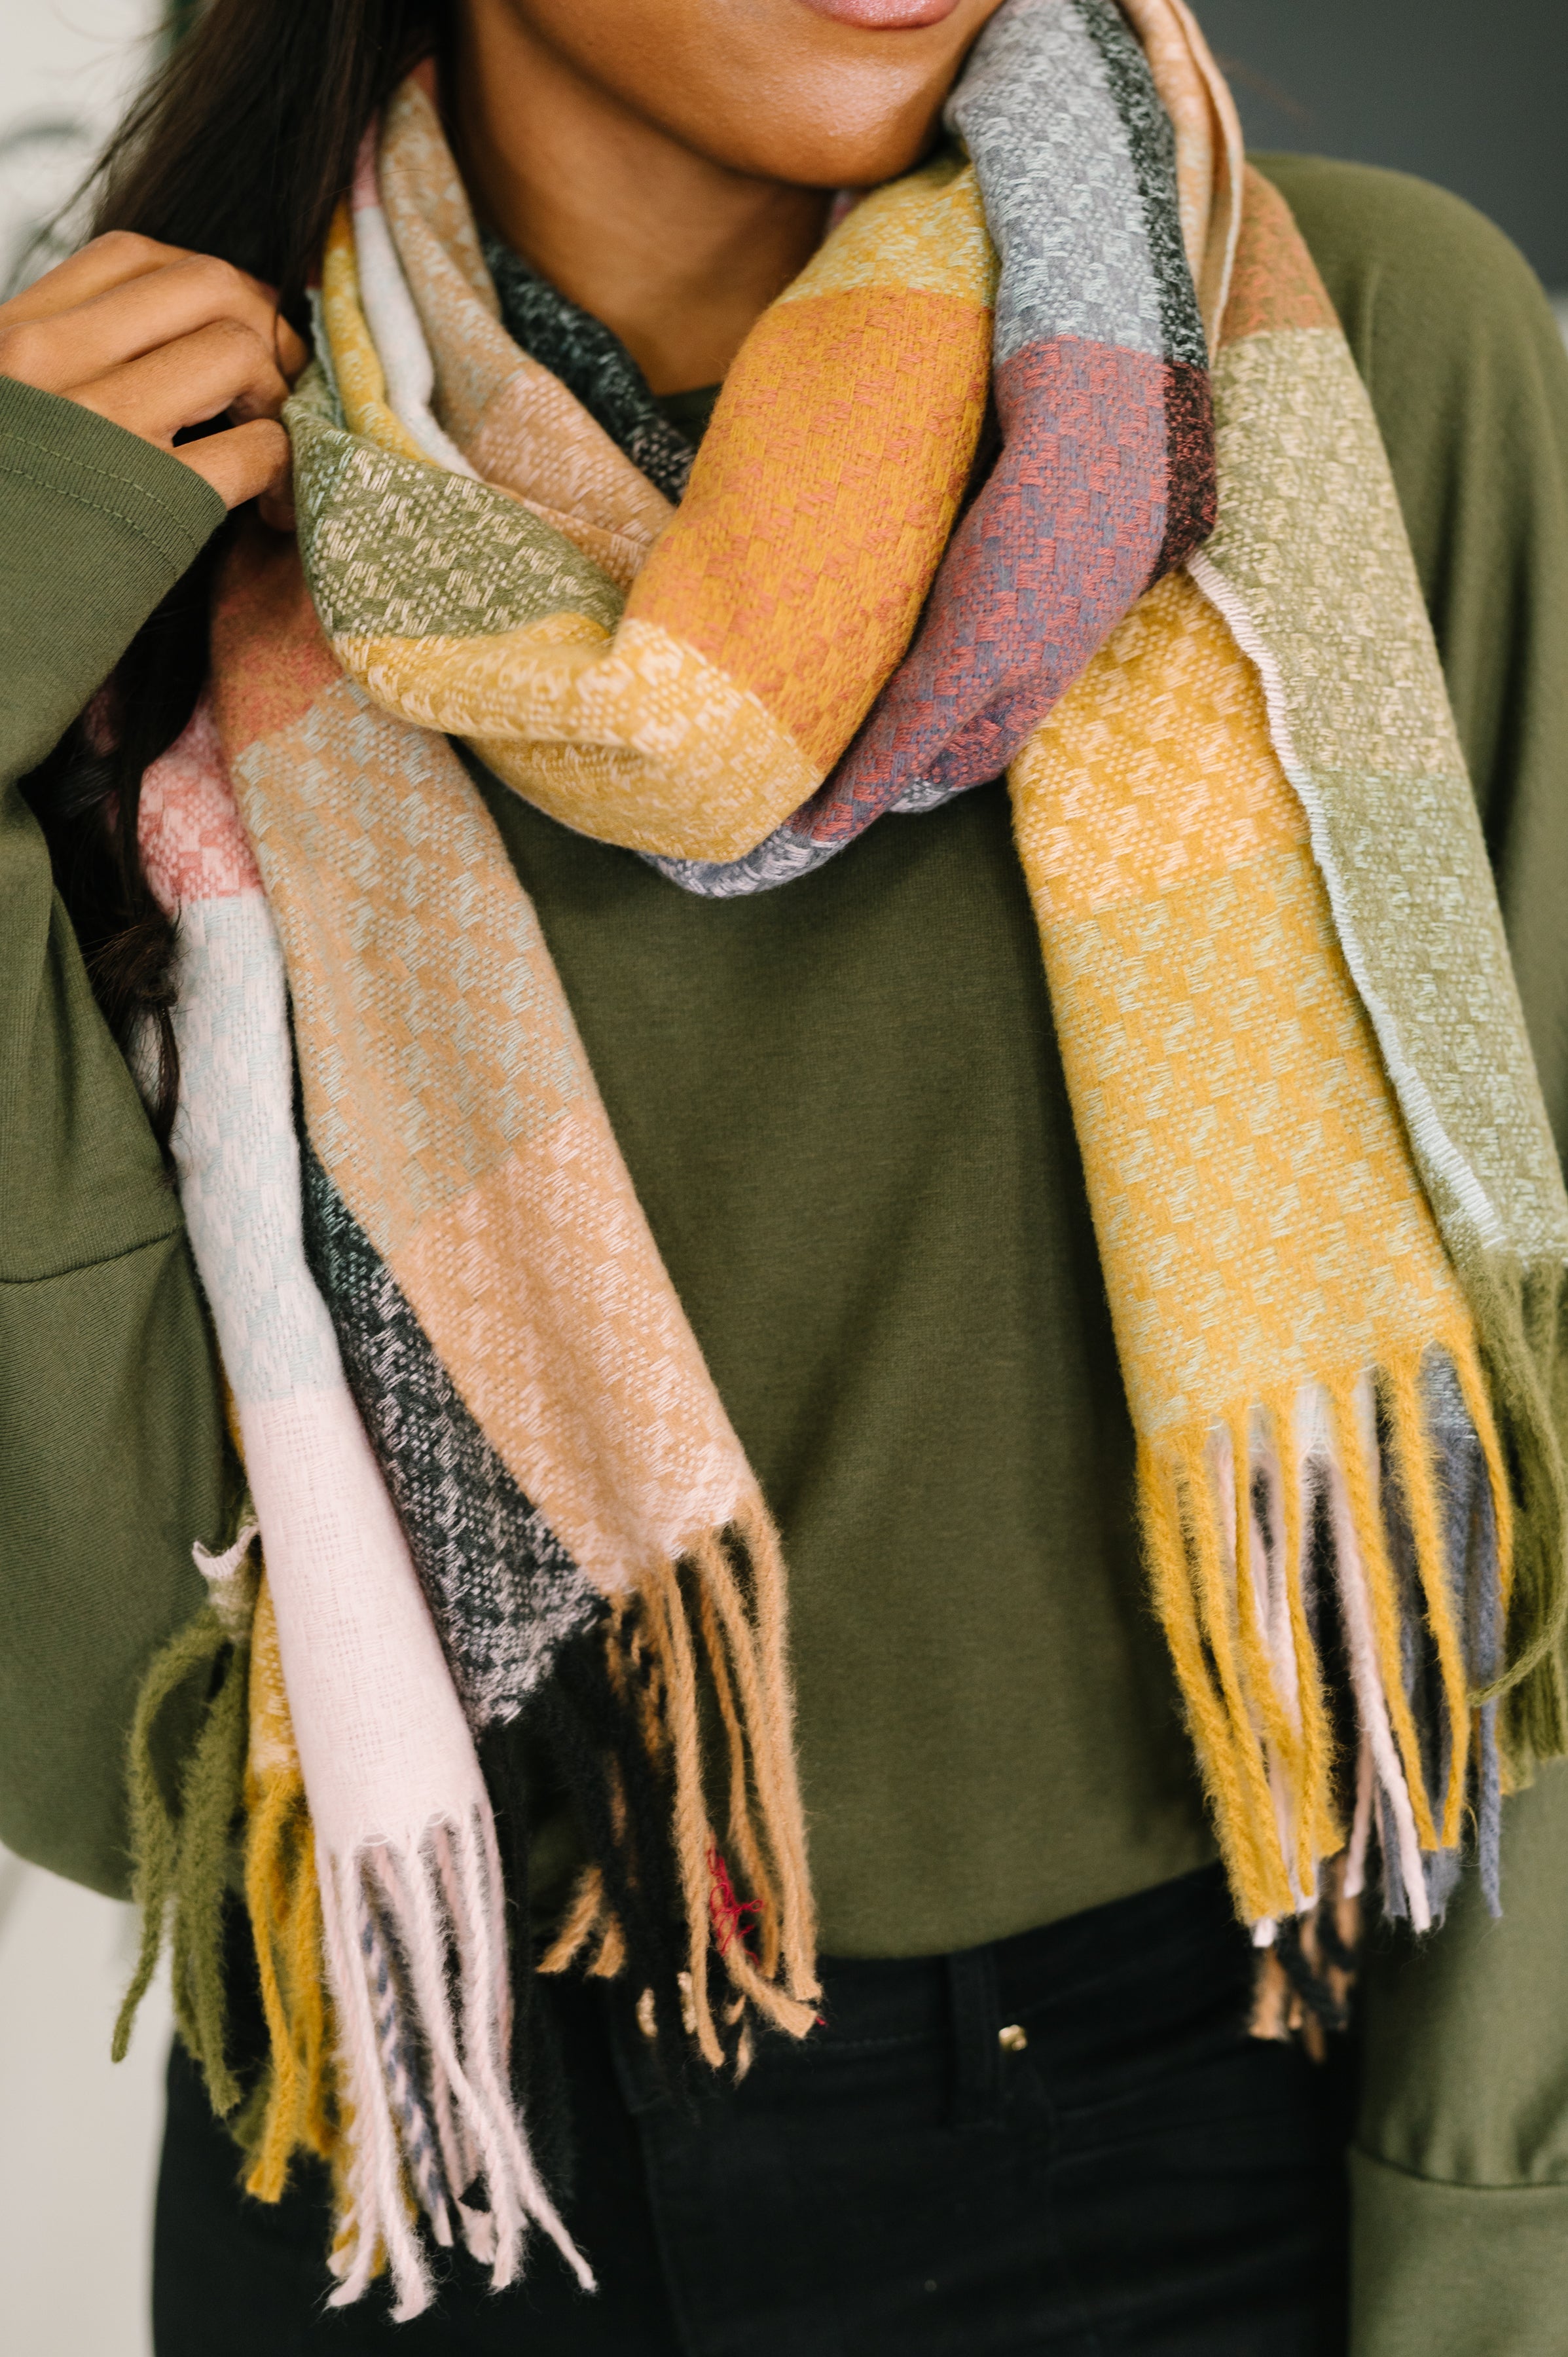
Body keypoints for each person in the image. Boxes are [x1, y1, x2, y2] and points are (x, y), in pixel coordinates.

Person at [3, 1, 1567, 2350]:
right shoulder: (129, 477)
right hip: (413, 2147)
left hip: (1185, 2159)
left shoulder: (1331, 344)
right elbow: (90, 1694)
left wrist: (1493, 2222)